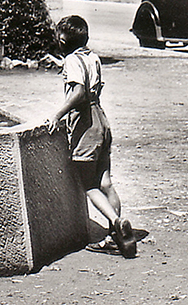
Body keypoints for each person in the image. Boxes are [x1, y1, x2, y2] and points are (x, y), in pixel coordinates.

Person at [46, 14, 139, 257]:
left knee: (88, 185)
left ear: (63, 40)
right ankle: (112, 237)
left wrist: (57, 115)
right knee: (105, 181)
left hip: (85, 123)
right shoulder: (93, 57)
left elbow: (79, 92)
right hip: (101, 120)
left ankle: (116, 224)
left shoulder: (71, 60)